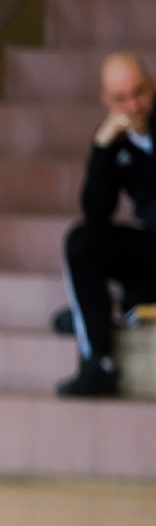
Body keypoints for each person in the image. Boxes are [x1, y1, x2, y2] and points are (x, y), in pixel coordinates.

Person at [58, 53, 156, 398]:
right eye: (121, 98)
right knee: (82, 241)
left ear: (153, 85)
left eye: (139, 92)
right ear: (107, 102)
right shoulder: (116, 140)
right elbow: (96, 214)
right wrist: (102, 146)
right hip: (150, 250)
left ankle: (96, 314)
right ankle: (97, 363)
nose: (133, 104)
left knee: (135, 300)